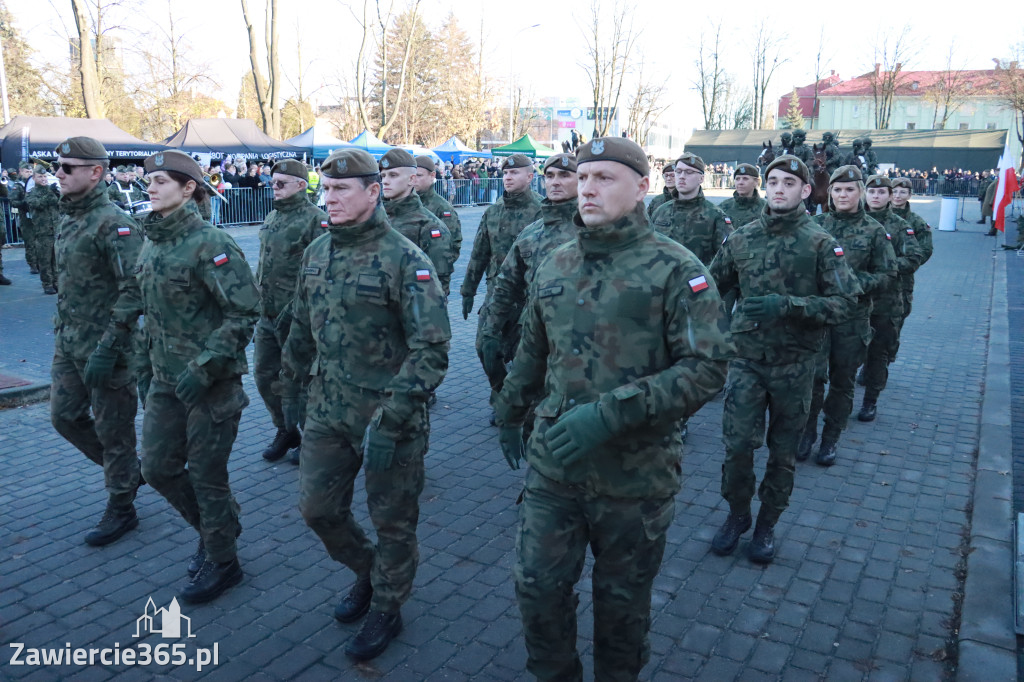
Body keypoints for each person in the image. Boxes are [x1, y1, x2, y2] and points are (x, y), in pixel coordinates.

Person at [493, 137, 733, 681]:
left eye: (605, 177)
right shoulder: (556, 262)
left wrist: (610, 413)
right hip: (556, 466)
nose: (588, 188)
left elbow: (706, 370)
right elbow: (533, 350)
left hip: (636, 477)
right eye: (584, 177)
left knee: (621, 610)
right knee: (536, 587)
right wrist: (509, 410)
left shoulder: (677, 270)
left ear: (643, 187)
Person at [279, 148, 450, 661]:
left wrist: (395, 416)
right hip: (328, 410)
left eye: (340, 189)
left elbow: (432, 349)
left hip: (388, 420)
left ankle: (388, 606)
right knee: (317, 509)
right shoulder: (317, 251)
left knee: (393, 520)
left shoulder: (406, 260)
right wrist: (291, 390)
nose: (328, 198)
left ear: (373, 192)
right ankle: (369, 572)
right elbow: (300, 327)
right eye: (325, 189)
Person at [708, 155, 860, 564]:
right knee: (738, 446)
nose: (778, 189)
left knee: (783, 451)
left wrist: (789, 305)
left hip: (796, 365)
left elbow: (846, 302)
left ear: (806, 191)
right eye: (773, 181)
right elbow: (709, 283)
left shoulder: (821, 243)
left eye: (789, 183)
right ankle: (738, 514)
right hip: (746, 360)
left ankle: (767, 523)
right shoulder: (742, 238)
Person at [135, 150, 259, 603]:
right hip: (164, 380)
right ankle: (215, 527)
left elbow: (245, 311)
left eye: (162, 181)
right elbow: (147, 308)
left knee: (207, 474)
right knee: (157, 468)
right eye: (149, 180)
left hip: (211, 384)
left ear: (189, 189)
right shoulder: (153, 240)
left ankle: (224, 560)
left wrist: (205, 365)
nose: (151, 187)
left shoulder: (212, 243)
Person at [49, 136, 145, 546]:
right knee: (64, 416)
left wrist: (111, 343)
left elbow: (135, 286)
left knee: (114, 430)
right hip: (69, 342)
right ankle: (127, 472)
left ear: (96, 172)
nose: (58, 173)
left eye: (67, 167)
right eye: (58, 165)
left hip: (109, 347)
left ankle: (122, 504)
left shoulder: (115, 222)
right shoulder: (67, 217)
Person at [799, 165, 896, 466]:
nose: (843, 194)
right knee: (813, 380)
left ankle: (831, 438)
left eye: (849, 189)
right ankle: (807, 432)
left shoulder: (875, 231)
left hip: (852, 319)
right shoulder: (815, 224)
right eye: (838, 190)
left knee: (842, 381)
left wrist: (852, 283)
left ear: (861, 193)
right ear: (830, 193)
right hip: (818, 316)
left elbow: (888, 274)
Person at [478, 152, 579, 399]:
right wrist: (490, 331)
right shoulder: (532, 232)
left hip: (579, 343)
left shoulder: (593, 228)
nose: (555, 182)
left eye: (565, 175)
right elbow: (506, 285)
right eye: (550, 176)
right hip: (531, 336)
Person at [253, 159, 326, 464]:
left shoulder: (316, 220)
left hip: (298, 318)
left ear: (300, 184)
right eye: (272, 183)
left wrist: (303, 311)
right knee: (264, 375)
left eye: (281, 183)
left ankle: (310, 437)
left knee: (302, 380)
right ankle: (285, 429)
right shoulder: (272, 217)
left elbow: (321, 272)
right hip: (267, 315)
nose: (275, 188)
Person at [460, 153, 542, 395]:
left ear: (530, 176)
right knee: (484, 346)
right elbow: (479, 253)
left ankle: (519, 403)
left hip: (527, 297)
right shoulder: (493, 211)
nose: (508, 177)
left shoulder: (541, 212)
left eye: (514, 173)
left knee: (522, 354)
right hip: (496, 294)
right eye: (506, 173)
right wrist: (468, 291)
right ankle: (502, 393)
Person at [858, 174, 923, 423]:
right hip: (854, 300)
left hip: (885, 301)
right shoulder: (853, 221)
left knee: (879, 352)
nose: (876, 196)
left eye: (881, 192)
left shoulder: (898, 226)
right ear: (865, 194)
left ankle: (870, 401)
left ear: (888, 196)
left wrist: (886, 266)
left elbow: (915, 256)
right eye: (872, 192)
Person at [379, 149, 454, 296]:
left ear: (412, 180)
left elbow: (437, 288)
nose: (385, 181)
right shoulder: (375, 219)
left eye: (393, 175)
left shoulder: (429, 226)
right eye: (383, 175)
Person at [651, 152, 733, 266]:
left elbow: (727, 258)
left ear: (701, 178)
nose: (682, 176)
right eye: (678, 171)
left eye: (689, 172)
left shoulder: (715, 216)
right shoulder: (661, 211)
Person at [889, 176, 934, 331]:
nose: (897, 195)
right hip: (876, 281)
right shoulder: (875, 218)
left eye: (903, 192)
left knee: (895, 326)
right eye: (894, 191)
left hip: (902, 279)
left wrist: (906, 263)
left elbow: (925, 249)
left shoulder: (916, 222)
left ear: (909, 195)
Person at [414, 155, 463, 262]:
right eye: (412, 176)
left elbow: (453, 244)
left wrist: (440, 269)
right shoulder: (403, 203)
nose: (414, 180)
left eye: (419, 175)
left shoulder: (443, 208)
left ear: (432, 175)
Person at [26, 163, 61, 295]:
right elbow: (37, 204)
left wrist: (58, 194)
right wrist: (50, 193)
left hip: (56, 230)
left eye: (45, 176)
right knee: (45, 259)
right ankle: (47, 283)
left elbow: (61, 205)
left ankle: (57, 282)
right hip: (43, 232)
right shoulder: (32, 193)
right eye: (40, 177)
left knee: (56, 260)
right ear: (34, 178)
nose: (43, 179)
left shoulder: (52, 191)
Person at [718, 163, 767, 228]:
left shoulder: (766, 209)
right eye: (737, 179)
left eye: (745, 179)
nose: (740, 182)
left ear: (756, 182)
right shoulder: (723, 207)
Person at [9, 162, 37, 274]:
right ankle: (33, 264)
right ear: (21, 171)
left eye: (31, 172)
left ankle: (40, 263)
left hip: (37, 217)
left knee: (38, 242)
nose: (29, 174)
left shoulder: (34, 184)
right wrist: (23, 203)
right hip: (26, 218)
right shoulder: (19, 185)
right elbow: (13, 201)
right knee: (30, 242)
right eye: (27, 172)